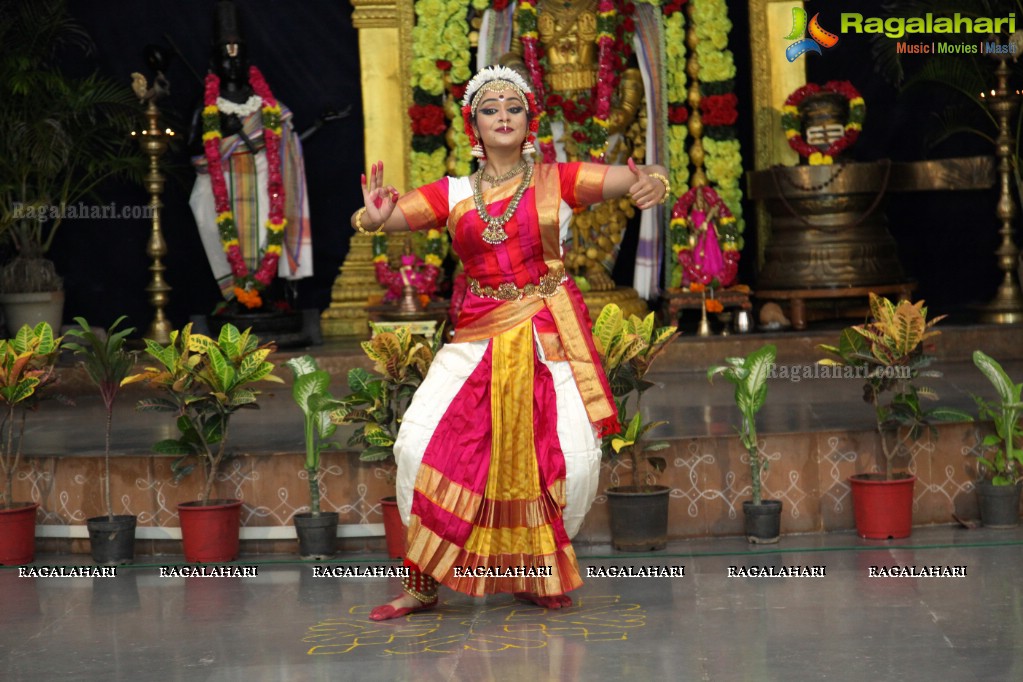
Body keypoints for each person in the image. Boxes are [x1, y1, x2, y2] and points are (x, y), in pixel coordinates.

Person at [351, 65, 670, 621]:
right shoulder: (450, 194)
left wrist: (654, 182)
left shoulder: (559, 180)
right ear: (474, 124)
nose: (503, 116)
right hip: (476, 337)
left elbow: (641, 175)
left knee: (570, 459)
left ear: (529, 121)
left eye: (513, 108)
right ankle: (423, 582)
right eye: (491, 109)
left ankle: (531, 571)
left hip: (547, 338)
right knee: (416, 447)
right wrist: (372, 218)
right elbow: (382, 218)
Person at [189, 0, 312, 309]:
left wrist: (320, 124)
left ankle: (265, 294)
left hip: (262, 182)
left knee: (265, 235)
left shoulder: (265, 105)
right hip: (224, 185)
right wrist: (226, 131)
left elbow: (288, 143)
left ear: (247, 61)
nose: (233, 64)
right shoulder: (209, 107)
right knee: (210, 218)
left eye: (238, 56)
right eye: (225, 58)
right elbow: (191, 150)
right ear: (216, 63)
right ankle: (235, 295)